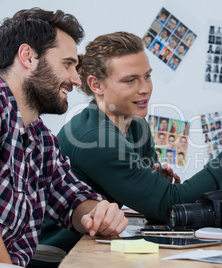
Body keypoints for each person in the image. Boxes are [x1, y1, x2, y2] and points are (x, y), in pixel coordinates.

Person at [41, 31, 222, 255]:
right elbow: (172, 204)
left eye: (147, 76)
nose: (145, 88)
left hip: (93, 246)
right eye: (130, 80)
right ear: (96, 85)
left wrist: (155, 184)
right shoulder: (95, 138)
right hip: (64, 255)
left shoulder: (136, 125)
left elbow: (156, 206)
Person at [0, 8, 128, 266]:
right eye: (67, 64)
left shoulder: (40, 138)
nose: (76, 80)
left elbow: (70, 198)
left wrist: (99, 213)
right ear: (28, 56)